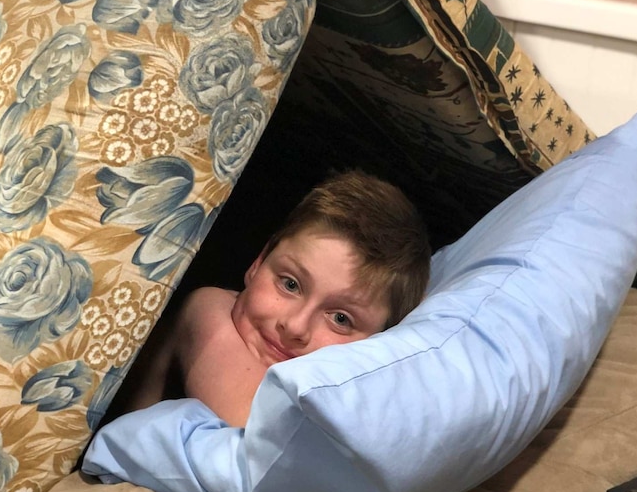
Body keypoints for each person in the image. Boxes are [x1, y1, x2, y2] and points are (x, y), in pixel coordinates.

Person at [106, 170, 431, 428]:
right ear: (259, 263)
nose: (294, 326)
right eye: (290, 284)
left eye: (341, 319)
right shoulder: (208, 310)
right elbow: (257, 433)